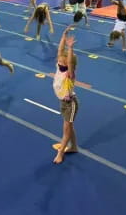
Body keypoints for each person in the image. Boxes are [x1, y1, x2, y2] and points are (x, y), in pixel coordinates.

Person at [53, 26, 78, 164]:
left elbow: (69, 61)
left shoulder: (69, 74)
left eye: (63, 61)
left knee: (66, 128)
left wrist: (70, 48)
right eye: (60, 60)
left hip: (70, 104)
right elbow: (59, 50)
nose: (60, 61)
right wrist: (63, 35)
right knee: (69, 126)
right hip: (63, 102)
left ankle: (60, 153)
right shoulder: (59, 67)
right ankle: (74, 147)